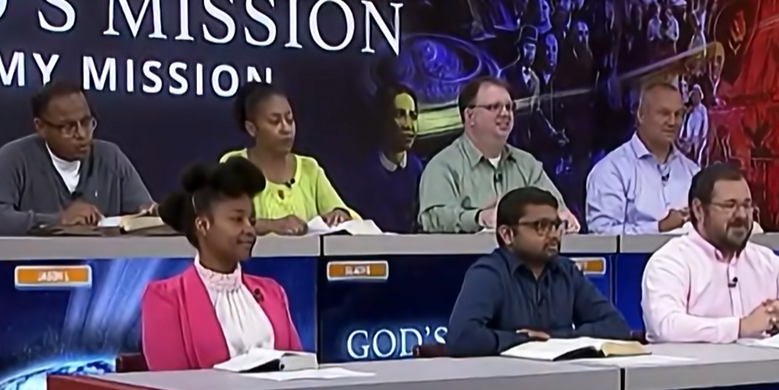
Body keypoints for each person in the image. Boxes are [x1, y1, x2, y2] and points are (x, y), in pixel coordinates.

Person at [137, 159, 302, 371]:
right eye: (237, 219)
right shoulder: (166, 299)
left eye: (251, 221)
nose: (249, 229)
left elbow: (298, 368)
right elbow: (170, 384)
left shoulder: (273, 292)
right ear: (202, 225)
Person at [641, 163, 779, 343]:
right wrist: (740, 327)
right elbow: (666, 326)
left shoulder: (766, 261)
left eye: (746, 205)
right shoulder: (670, 261)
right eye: (729, 205)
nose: (741, 215)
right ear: (699, 210)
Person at [445, 187, 631, 356]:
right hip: (505, 378)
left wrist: (553, 338)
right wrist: (521, 340)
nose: (554, 234)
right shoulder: (488, 273)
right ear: (507, 234)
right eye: (541, 226)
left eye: (556, 225)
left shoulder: (566, 271)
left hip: (561, 377)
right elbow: (462, 338)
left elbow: (617, 327)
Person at [0, 79, 156, 235]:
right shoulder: (16, 158)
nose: (82, 134)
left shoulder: (110, 158)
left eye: (86, 122)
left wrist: (152, 215)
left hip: (102, 269)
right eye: (68, 127)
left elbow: (145, 217)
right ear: (40, 127)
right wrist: (57, 221)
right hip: (34, 267)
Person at [416, 77, 577, 233]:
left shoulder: (527, 165)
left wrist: (562, 217)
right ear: (470, 116)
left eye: (509, 107)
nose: (505, 113)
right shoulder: (443, 166)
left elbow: (557, 207)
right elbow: (432, 218)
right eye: (494, 107)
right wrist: (479, 218)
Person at [220, 81, 354, 236]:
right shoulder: (234, 166)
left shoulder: (309, 169)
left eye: (289, 120)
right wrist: (271, 225)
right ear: (252, 128)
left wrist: (339, 214)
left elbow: (341, 211)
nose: (286, 128)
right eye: (275, 121)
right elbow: (223, 222)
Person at [582, 77, 692, 233]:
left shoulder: (693, 173)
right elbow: (602, 234)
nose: (673, 122)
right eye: (664, 113)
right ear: (641, 115)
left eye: (678, 114)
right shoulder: (612, 170)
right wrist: (658, 228)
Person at [355, 83, 425, 234]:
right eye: (400, 115)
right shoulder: (364, 175)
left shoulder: (419, 170)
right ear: (383, 120)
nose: (408, 125)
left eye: (413, 116)